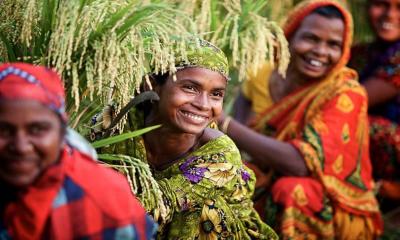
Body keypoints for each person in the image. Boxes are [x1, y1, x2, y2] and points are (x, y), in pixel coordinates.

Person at [220, 0, 383, 239]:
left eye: (333, 44)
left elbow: (300, 163)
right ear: (289, 36)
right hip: (269, 180)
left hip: (333, 204)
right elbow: (237, 148)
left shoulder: (345, 93)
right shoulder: (262, 74)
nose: (321, 51)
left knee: (293, 190)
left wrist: (224, 123)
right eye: (311, 38)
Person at [93, 38, 278, 239]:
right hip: (134, 222)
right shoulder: (118, 122)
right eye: (190, 88)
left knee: (203, 208)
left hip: (219, 231)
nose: (203, 104)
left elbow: (159, 205)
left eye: (216, 94)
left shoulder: (219, 153)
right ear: (153, 85)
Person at [0, 63, 156, 239]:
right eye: (3, 130)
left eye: (37, 129)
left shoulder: (102, 202)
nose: (21, 146)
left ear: (61, 131)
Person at [348, 0, 400, 212]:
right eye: (381, 4)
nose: (389, 15)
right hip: (370, 160)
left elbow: (352, 101)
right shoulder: (360, 53)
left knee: (361, 125)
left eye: (399, 8)